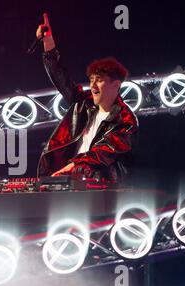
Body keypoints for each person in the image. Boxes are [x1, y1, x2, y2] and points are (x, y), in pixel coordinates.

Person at [35, 13, 138, 184]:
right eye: (91, 80)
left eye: (99, 80)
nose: (93, 85)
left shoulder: (126, 121)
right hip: (68, 180)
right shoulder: (84, 103)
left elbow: (102, 152)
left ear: (115, 85)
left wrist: (72, 166)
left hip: (98, 184)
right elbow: (62, 79)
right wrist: (48, 43)